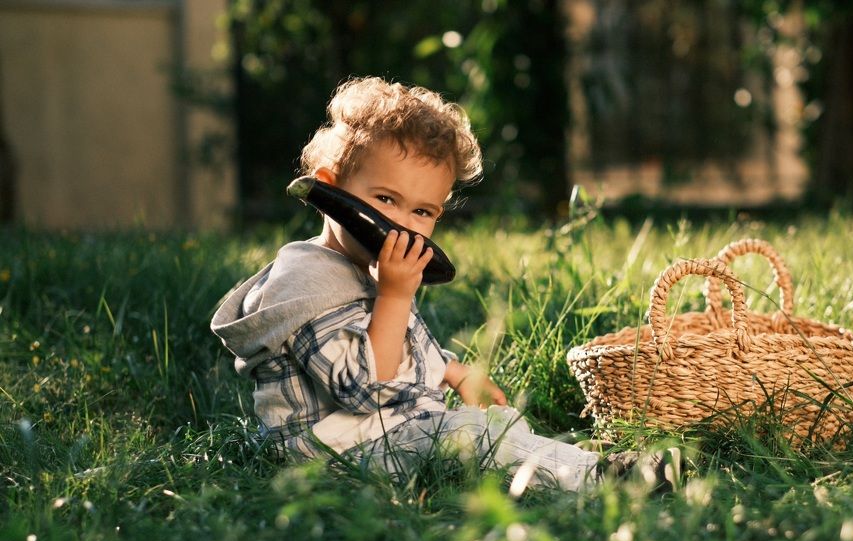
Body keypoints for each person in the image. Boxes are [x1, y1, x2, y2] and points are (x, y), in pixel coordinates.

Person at [211, 76, 601, 492]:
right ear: (330, 190)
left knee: (495, 423)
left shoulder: (369, 265)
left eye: (422, 211)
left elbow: (402, 338)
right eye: (385, 200)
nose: (401, 223)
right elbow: (364, 389)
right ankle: (604, 476)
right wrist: (394, 296)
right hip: (335, 457)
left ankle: (569, 465)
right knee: (469, 437)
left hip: (384, 433)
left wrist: (453, 370)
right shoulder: (306, 284)